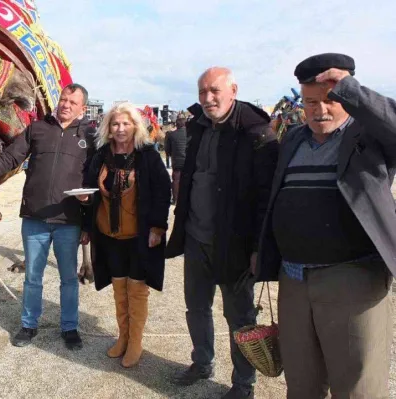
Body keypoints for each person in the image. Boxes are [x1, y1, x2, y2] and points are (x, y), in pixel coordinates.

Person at [256, 53, 395, 398]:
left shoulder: (370, 137)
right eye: (311, 102)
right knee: (302, 384)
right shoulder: (293, 139)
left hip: (353, 280)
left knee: (357, 387)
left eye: (331, 100)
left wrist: (352, 90)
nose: (321, 110)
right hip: (295, 280)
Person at [0, 83, 96, 350]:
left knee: (68, 279)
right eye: (63, 99)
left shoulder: (90, 136)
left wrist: (90, 213)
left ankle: (70, 328)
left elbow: (97, 177)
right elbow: (8, 158)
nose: (65, 105)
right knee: (32, 277)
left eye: (72, 103)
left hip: (69, 220)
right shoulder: (38, 129)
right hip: (35, 218)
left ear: (82, 109)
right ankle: (29, 325)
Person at [165, 67, 278, 399]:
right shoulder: (198, 126)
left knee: (239, 317)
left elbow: (266, 196)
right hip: (197, 238)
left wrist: (258, 247)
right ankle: (202, 363)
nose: (208, 98)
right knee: (195, 307)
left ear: (233, 89)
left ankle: (243, 385)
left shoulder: (256, 131)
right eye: (202, 92)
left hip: (236, 245)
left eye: (214, 90)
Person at [77, 102, 171, 367]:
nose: (120, 129)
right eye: (115, 124)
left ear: (135, 126)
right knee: (119, 289)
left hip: (140, 236)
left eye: (126, 124)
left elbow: (163, 192)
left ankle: (136, 342)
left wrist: (157, 227)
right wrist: (85, 204)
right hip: (109, 235)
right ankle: (123, 337)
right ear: (108, 127)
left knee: (136, 290)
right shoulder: (100, 155)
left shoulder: (147, 156)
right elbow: (89, 190)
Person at [165, 116, 187, 203]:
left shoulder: (171, 135)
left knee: (176, 180)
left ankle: (175, 199)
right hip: (188, 161)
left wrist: (170, 155)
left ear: (176, 125)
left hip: (177, 161)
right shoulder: (191, 134)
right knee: (188, 180)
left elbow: (167, 150)